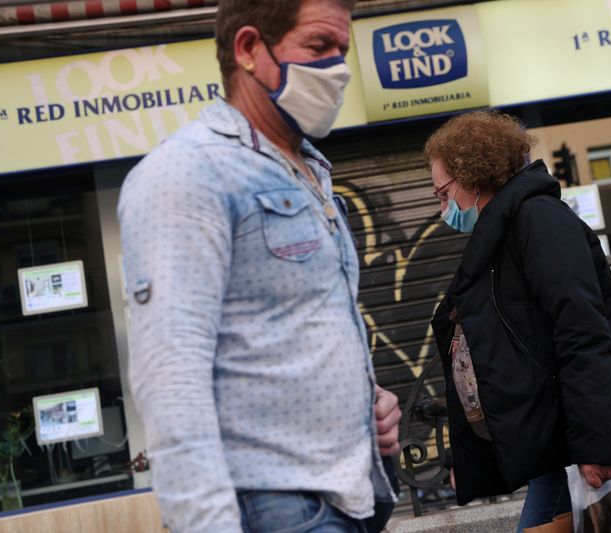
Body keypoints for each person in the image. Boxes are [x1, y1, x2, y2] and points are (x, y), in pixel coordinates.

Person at [118, 1, 400, 531]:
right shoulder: (188, 172)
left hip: (349, 497)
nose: (338, 68)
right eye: (319, 47)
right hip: (275, 508)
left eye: (343, 50)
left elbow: (287, 332)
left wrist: (365, 403)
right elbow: (171, 376)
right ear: (248, 49)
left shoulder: (309, 167)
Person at [424, 111, 611, 531]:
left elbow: (583, 334)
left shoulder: (539, 221)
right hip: (559, 426)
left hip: (580, 428)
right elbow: (504, 351)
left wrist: (595, 444)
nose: (442, 208)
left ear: (472, 175)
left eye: (443, 193)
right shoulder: (501, 234)